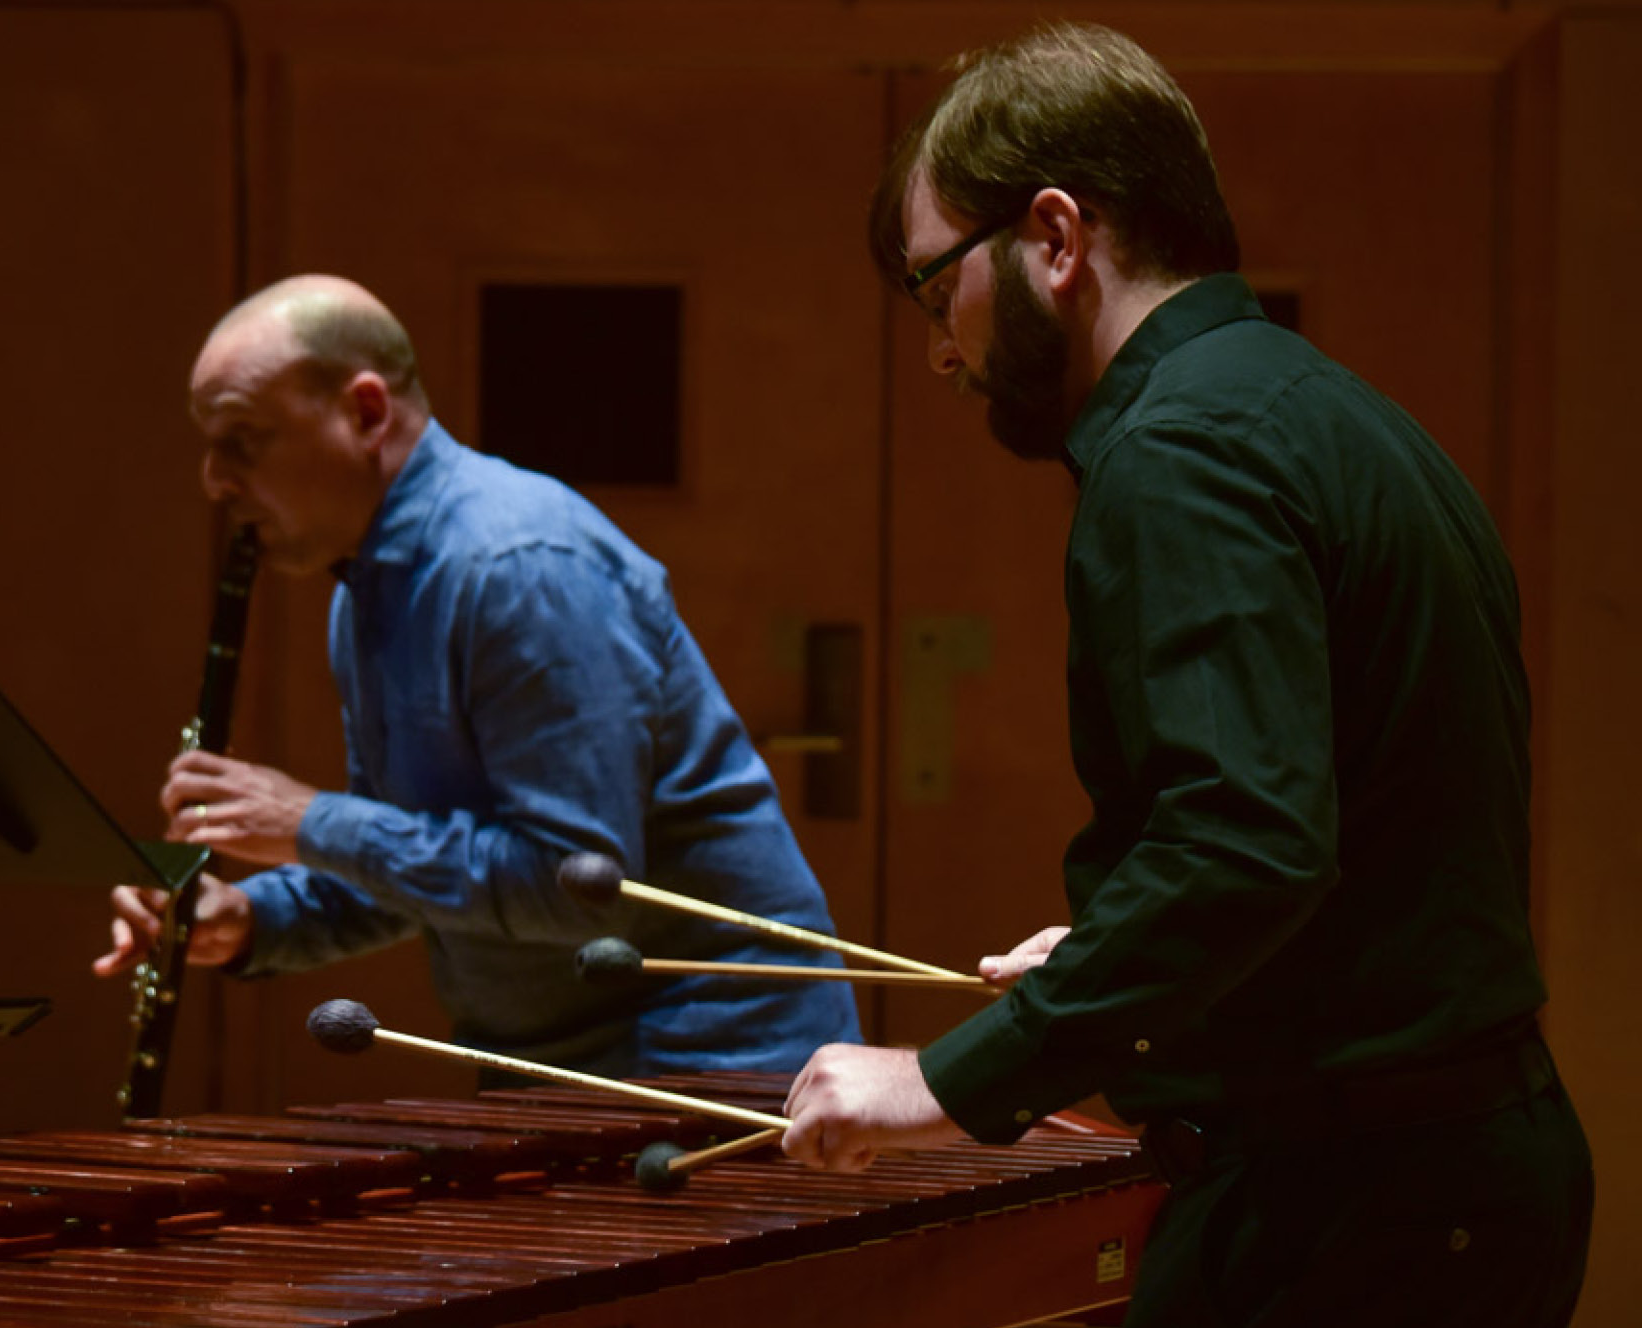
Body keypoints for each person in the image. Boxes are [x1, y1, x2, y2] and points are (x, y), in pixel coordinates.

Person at [780, 21, 1592, 1327]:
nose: (940, 351)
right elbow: (1347, 830)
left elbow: (1243, 847)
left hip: (1352, 1202)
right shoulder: (1326, 411)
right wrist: (1129, 962)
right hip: (1451, 1169)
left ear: (1051, 239)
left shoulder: (1177, 453)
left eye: (938, 293)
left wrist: (946, 1080)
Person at [92, 273, 859, 1078]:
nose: (213, 480)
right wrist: (250, 918)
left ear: (364, 413)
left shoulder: (516, 566)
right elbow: (421, 861)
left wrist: (314, 822)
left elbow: (575, 890)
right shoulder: (364, 596)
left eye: (241, 441)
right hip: (557, 1065)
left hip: (715, 1063)